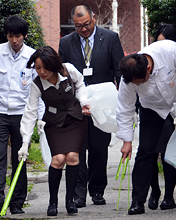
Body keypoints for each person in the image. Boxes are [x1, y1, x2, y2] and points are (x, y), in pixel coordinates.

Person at [116, 39, 176, 215]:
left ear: (148, 68)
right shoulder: (129, 79)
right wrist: (126, 140)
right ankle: (138, 202)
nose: (137, 85)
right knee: (145, 152)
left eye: (140, 82)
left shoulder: (169, 50)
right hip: (151, 109)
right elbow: (125, 109)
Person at [0, 15, 44, 217]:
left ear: (25, 35)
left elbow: (39, 89)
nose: (14, 40)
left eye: (18, 36)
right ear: (7, 35)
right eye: (11, 36)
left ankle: (17, 202)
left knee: (20, 158)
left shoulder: (32, 57)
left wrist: (40, 117)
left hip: (23, 115)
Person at [58, 4, 124, 208]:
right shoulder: (66, 43)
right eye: (78, 26)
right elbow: (62, 76)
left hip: (102, 105)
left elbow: (120, 71)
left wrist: (123, 101)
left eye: (86, 24)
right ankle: (79, 194)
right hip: (77, 106)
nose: (83, 29)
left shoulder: (110, 38)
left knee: (99, 148)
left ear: (94, 18)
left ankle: (97, 190)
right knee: (78, 149)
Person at [19, 46, 91, 216]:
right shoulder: (37, 84)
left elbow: (80, 85)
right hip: (54, 123)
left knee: (73, 157)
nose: (42, 71)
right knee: (58, 159)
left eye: (45, 67)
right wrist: (25, 142)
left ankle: (70, 201)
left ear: (54, 64)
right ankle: (53, 202)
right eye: (37, 68)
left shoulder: (68, 70)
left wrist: (83, 102)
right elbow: (30, 111)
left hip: (76, 119)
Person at [148, 24, 176, 211]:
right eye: (159, 43)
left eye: (166, 42)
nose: (162, 48)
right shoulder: (151, 61)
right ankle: (159, 192)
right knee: (156, 153)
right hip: (157, 110)